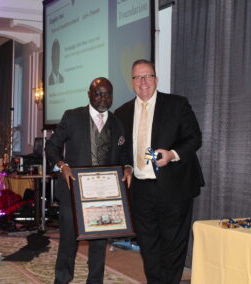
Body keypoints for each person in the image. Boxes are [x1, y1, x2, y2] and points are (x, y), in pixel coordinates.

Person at [115, 59, 205, 284]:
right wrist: (126, 166)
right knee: (148, 245)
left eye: (148, 76)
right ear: (132, 81)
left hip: (174, 185)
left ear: (156, 79)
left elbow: (195, 138)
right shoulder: (122, 112)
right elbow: (123, 149)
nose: (143, 81)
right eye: (137, 77)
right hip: (140, 189)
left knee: (173, 244)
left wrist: (172, 154)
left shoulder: (177, 104)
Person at [45, 77, 127, 284]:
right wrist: (62, 165)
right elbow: (51, 146)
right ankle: (62, 280)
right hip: (73, 192)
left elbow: (124, 153)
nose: (103, 98)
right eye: (98, 93)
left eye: (107, 94)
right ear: (89, 94)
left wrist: (128, 167)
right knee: (68, 244)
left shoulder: (117, 123)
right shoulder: (72, 117)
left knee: (99, 245)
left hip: (104, 195)